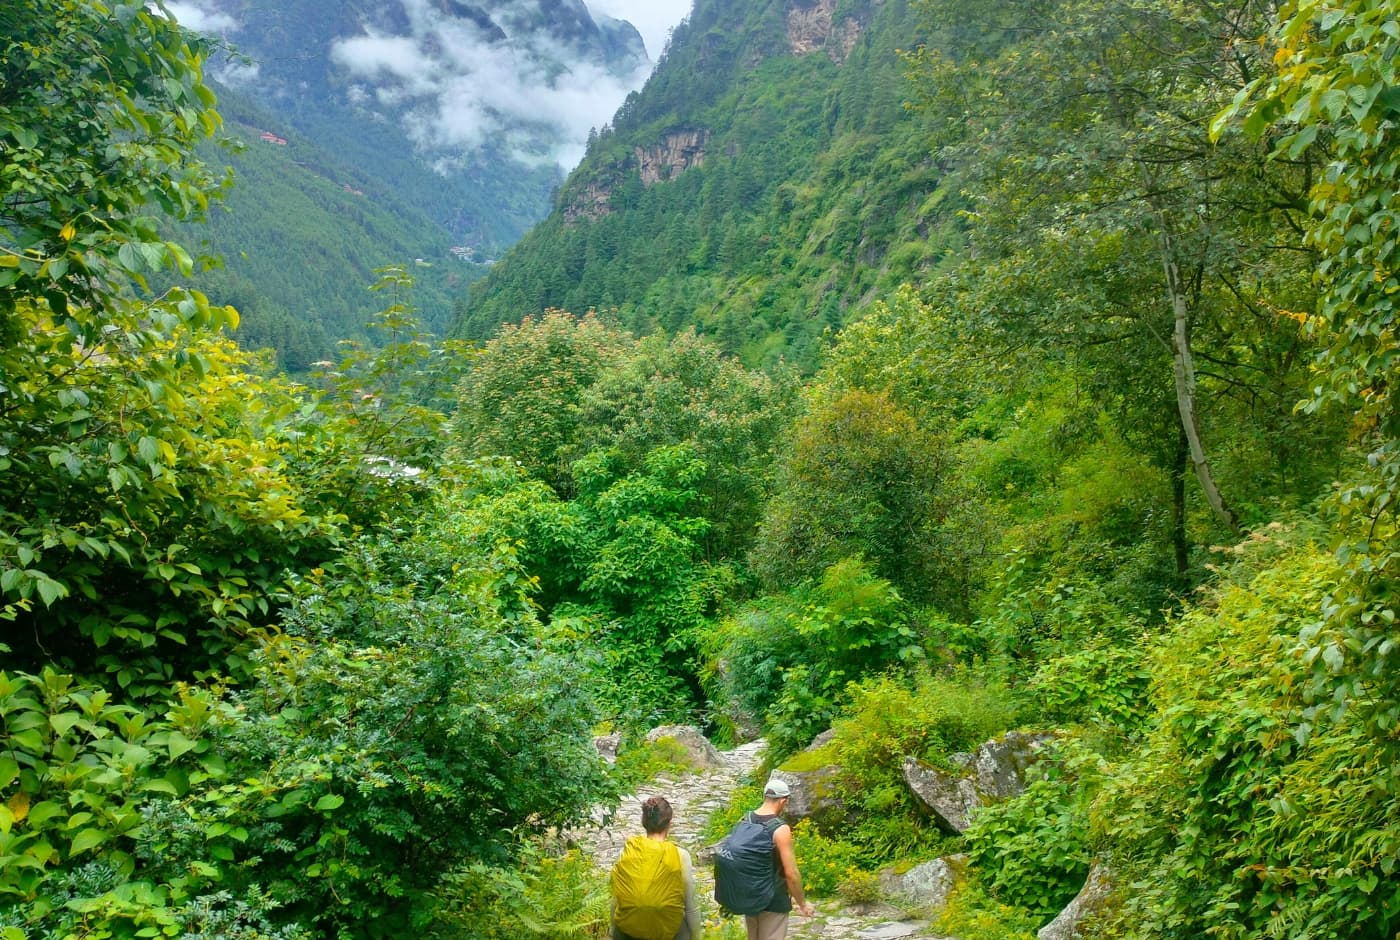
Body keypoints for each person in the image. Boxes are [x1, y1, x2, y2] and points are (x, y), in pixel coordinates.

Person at [611, 796, 702, 940]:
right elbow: (690, 906)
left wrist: (612, 929)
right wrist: (697, 936)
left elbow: (617, 898)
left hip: (628, 931)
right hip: (667, 933)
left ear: (643, 822)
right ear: (669, 823)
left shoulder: (627, 850)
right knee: (683, 923)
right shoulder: (680, 855)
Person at [744, 778, 815, 940]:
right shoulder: (779, 829)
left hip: (750, 896)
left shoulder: (745, 820)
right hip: (773, 900)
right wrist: (802, 904)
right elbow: (791, 873)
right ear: (783, 801)